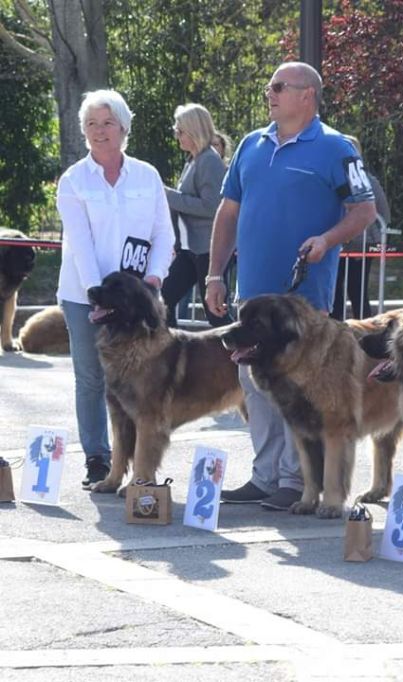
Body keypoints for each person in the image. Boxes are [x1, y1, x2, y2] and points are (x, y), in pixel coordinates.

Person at [205, 61, 376, 510]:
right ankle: (264, 475)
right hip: (252, 293)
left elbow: (364, 211)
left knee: (299, 385)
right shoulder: (250, 144)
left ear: (308, 95)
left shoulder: (336, 147)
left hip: (304, 299)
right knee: (253, 379)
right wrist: (214, 273)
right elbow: (228, 212)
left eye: (279, 86)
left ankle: (296, 480)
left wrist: (327, 239)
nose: (270, 92)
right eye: (269, 86)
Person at [55, 89, 175, 488]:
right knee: (91, 377)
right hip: (84, 295)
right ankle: (97, 457)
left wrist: (155, 278)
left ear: (124, 127)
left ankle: (138, 461)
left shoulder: (147, 175)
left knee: (141, 379)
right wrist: (97, 295)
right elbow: (81, 244)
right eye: (91, 124)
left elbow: (163, 233)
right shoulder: (73, 180)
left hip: (138, 296)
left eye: (107, 123)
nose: (99, 131)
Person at [161, 103, 231, 328]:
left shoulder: (208, 160)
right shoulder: (194, 159)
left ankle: (239, 360)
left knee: (215, 313)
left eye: (180, 131)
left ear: (194, 131)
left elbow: (213, 207)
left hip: (208, 250)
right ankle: (168, 351)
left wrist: (169, 195)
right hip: (192, 249)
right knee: (164, 299)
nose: (176, 135)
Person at [331, 134, 391, 320]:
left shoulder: (368, 181)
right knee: (335, 292)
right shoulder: (332, 177)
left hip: (361, 246)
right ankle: (336, 333)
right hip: (335, 244)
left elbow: (383, 212)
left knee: (357, 290)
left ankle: (364, 334)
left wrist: (373, 237)